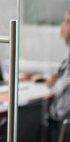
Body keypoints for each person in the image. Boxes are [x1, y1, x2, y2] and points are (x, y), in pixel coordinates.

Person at [45, 10, 70, 140]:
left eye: (68, 22)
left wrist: (49, 87)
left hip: (63, 123)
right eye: (63, 20)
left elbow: (59, 89)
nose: (62, 24)